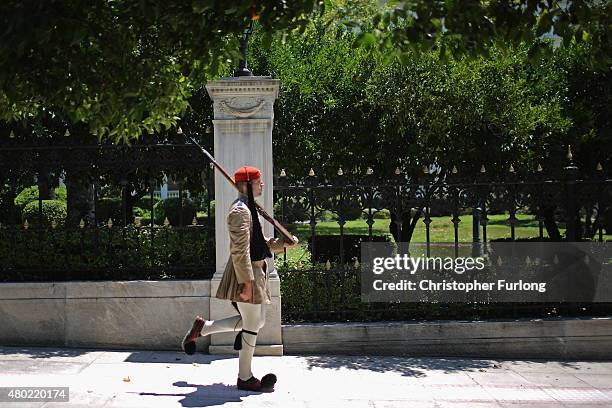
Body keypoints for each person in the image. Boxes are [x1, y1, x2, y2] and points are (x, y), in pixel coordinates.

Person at [181, 165, 298, 392]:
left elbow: (258, 243)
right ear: (246, 186)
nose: (262, 184)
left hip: (255, 271)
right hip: (247, 274)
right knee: (253, 323)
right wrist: (246, 282)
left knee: (257, 321)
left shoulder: (248, 208)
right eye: (258, 181)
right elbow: (239, 250)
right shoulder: (240, 211)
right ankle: (245, 376)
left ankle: (203, 328)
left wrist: (284, 244)